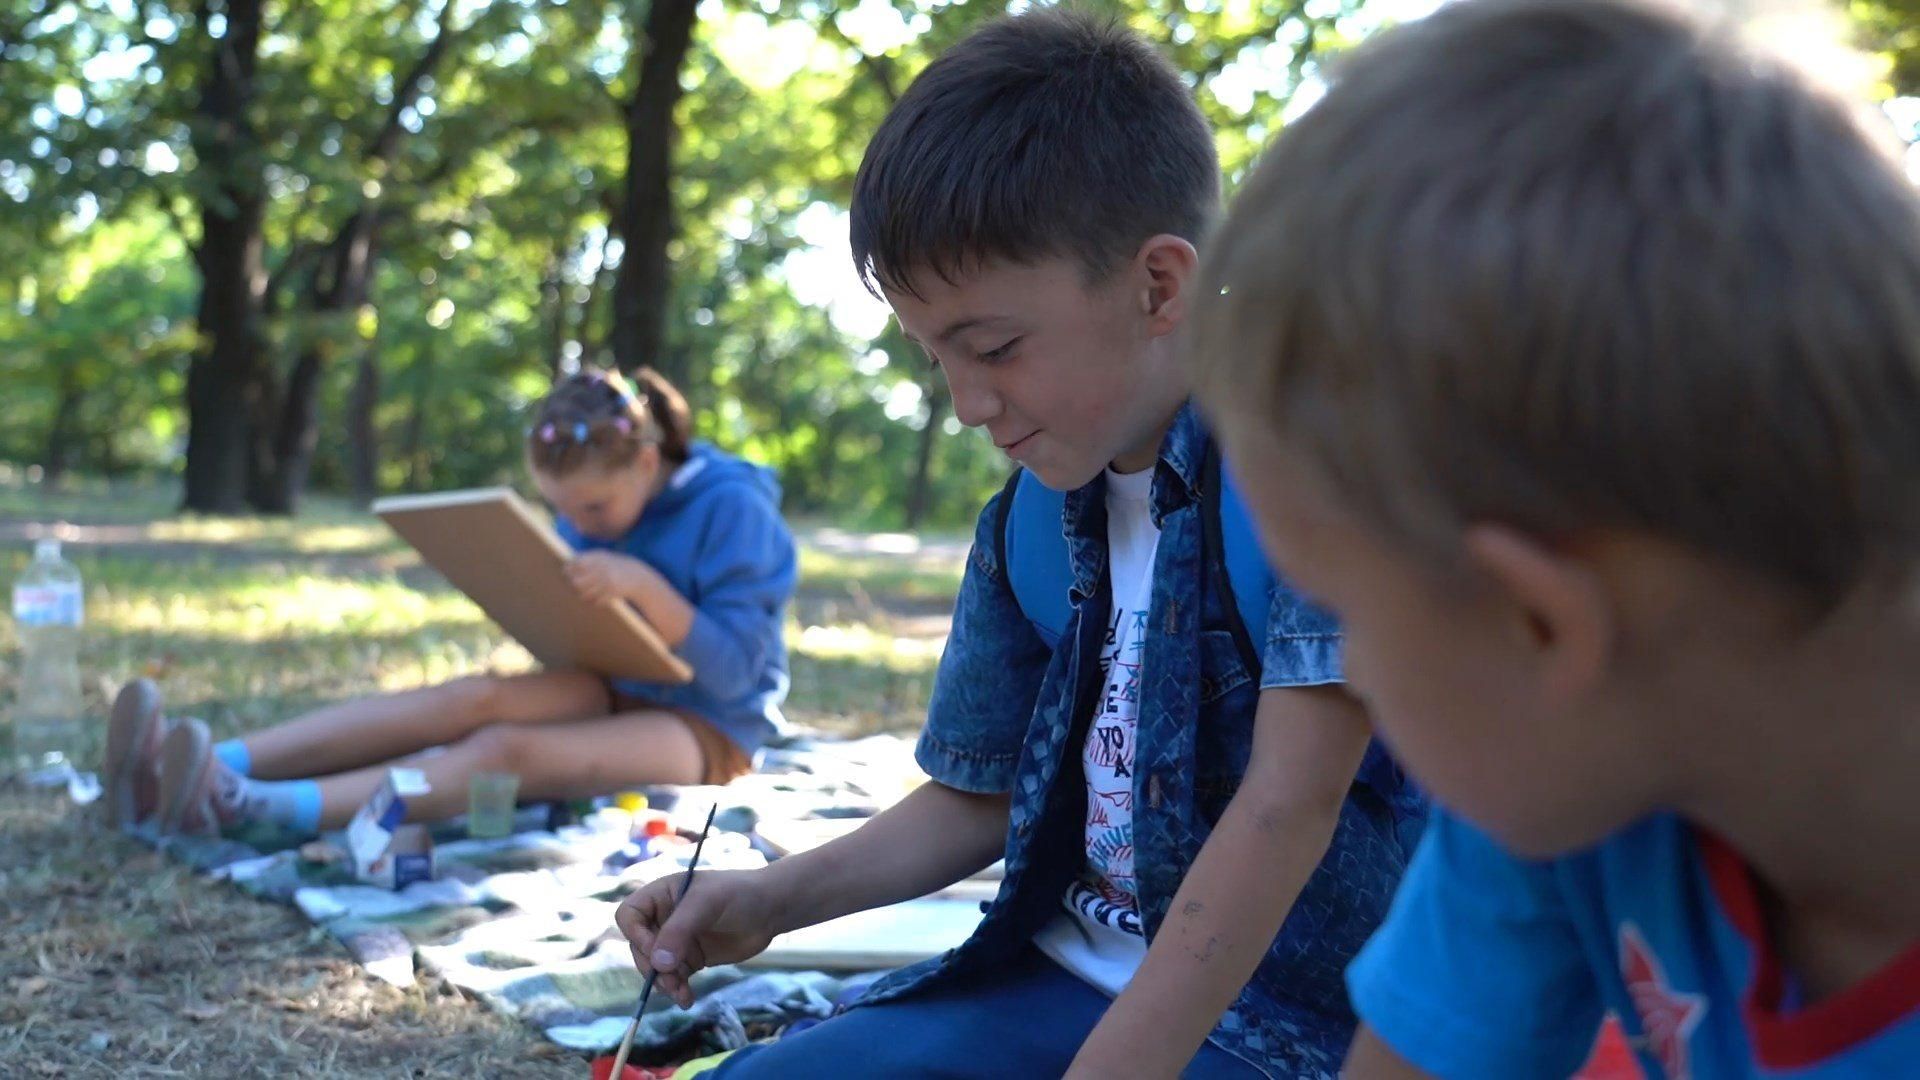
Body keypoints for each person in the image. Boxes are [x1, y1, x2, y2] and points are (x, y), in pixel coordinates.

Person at [614, 10, 1424, 1078]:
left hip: (1278, 1025)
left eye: (993, 346)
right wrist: (769, 899)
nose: (964, 403)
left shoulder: (1313, 468)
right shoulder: (1034, 522)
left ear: (1159, 286)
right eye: (934, 357)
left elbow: (1289, 806)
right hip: (1053, 978)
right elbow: (979, 793)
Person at [1188, 0, 1920, 1075]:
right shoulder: (1575, 761)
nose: (1357, 674)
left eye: (1341, 613)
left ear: (1541, 621)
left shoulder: (1560, 733)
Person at [104, 366, 797, 836]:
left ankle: (256, 808)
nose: (578, 526)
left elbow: (736, 672)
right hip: (610, 683)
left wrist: (643, 587)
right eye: (561, 510)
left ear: (647, 463)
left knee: (505, 751)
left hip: (708, 727)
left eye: (593, 506)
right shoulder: (594, 510)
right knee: (468, 700)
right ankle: (199, 762)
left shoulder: (733, 507)